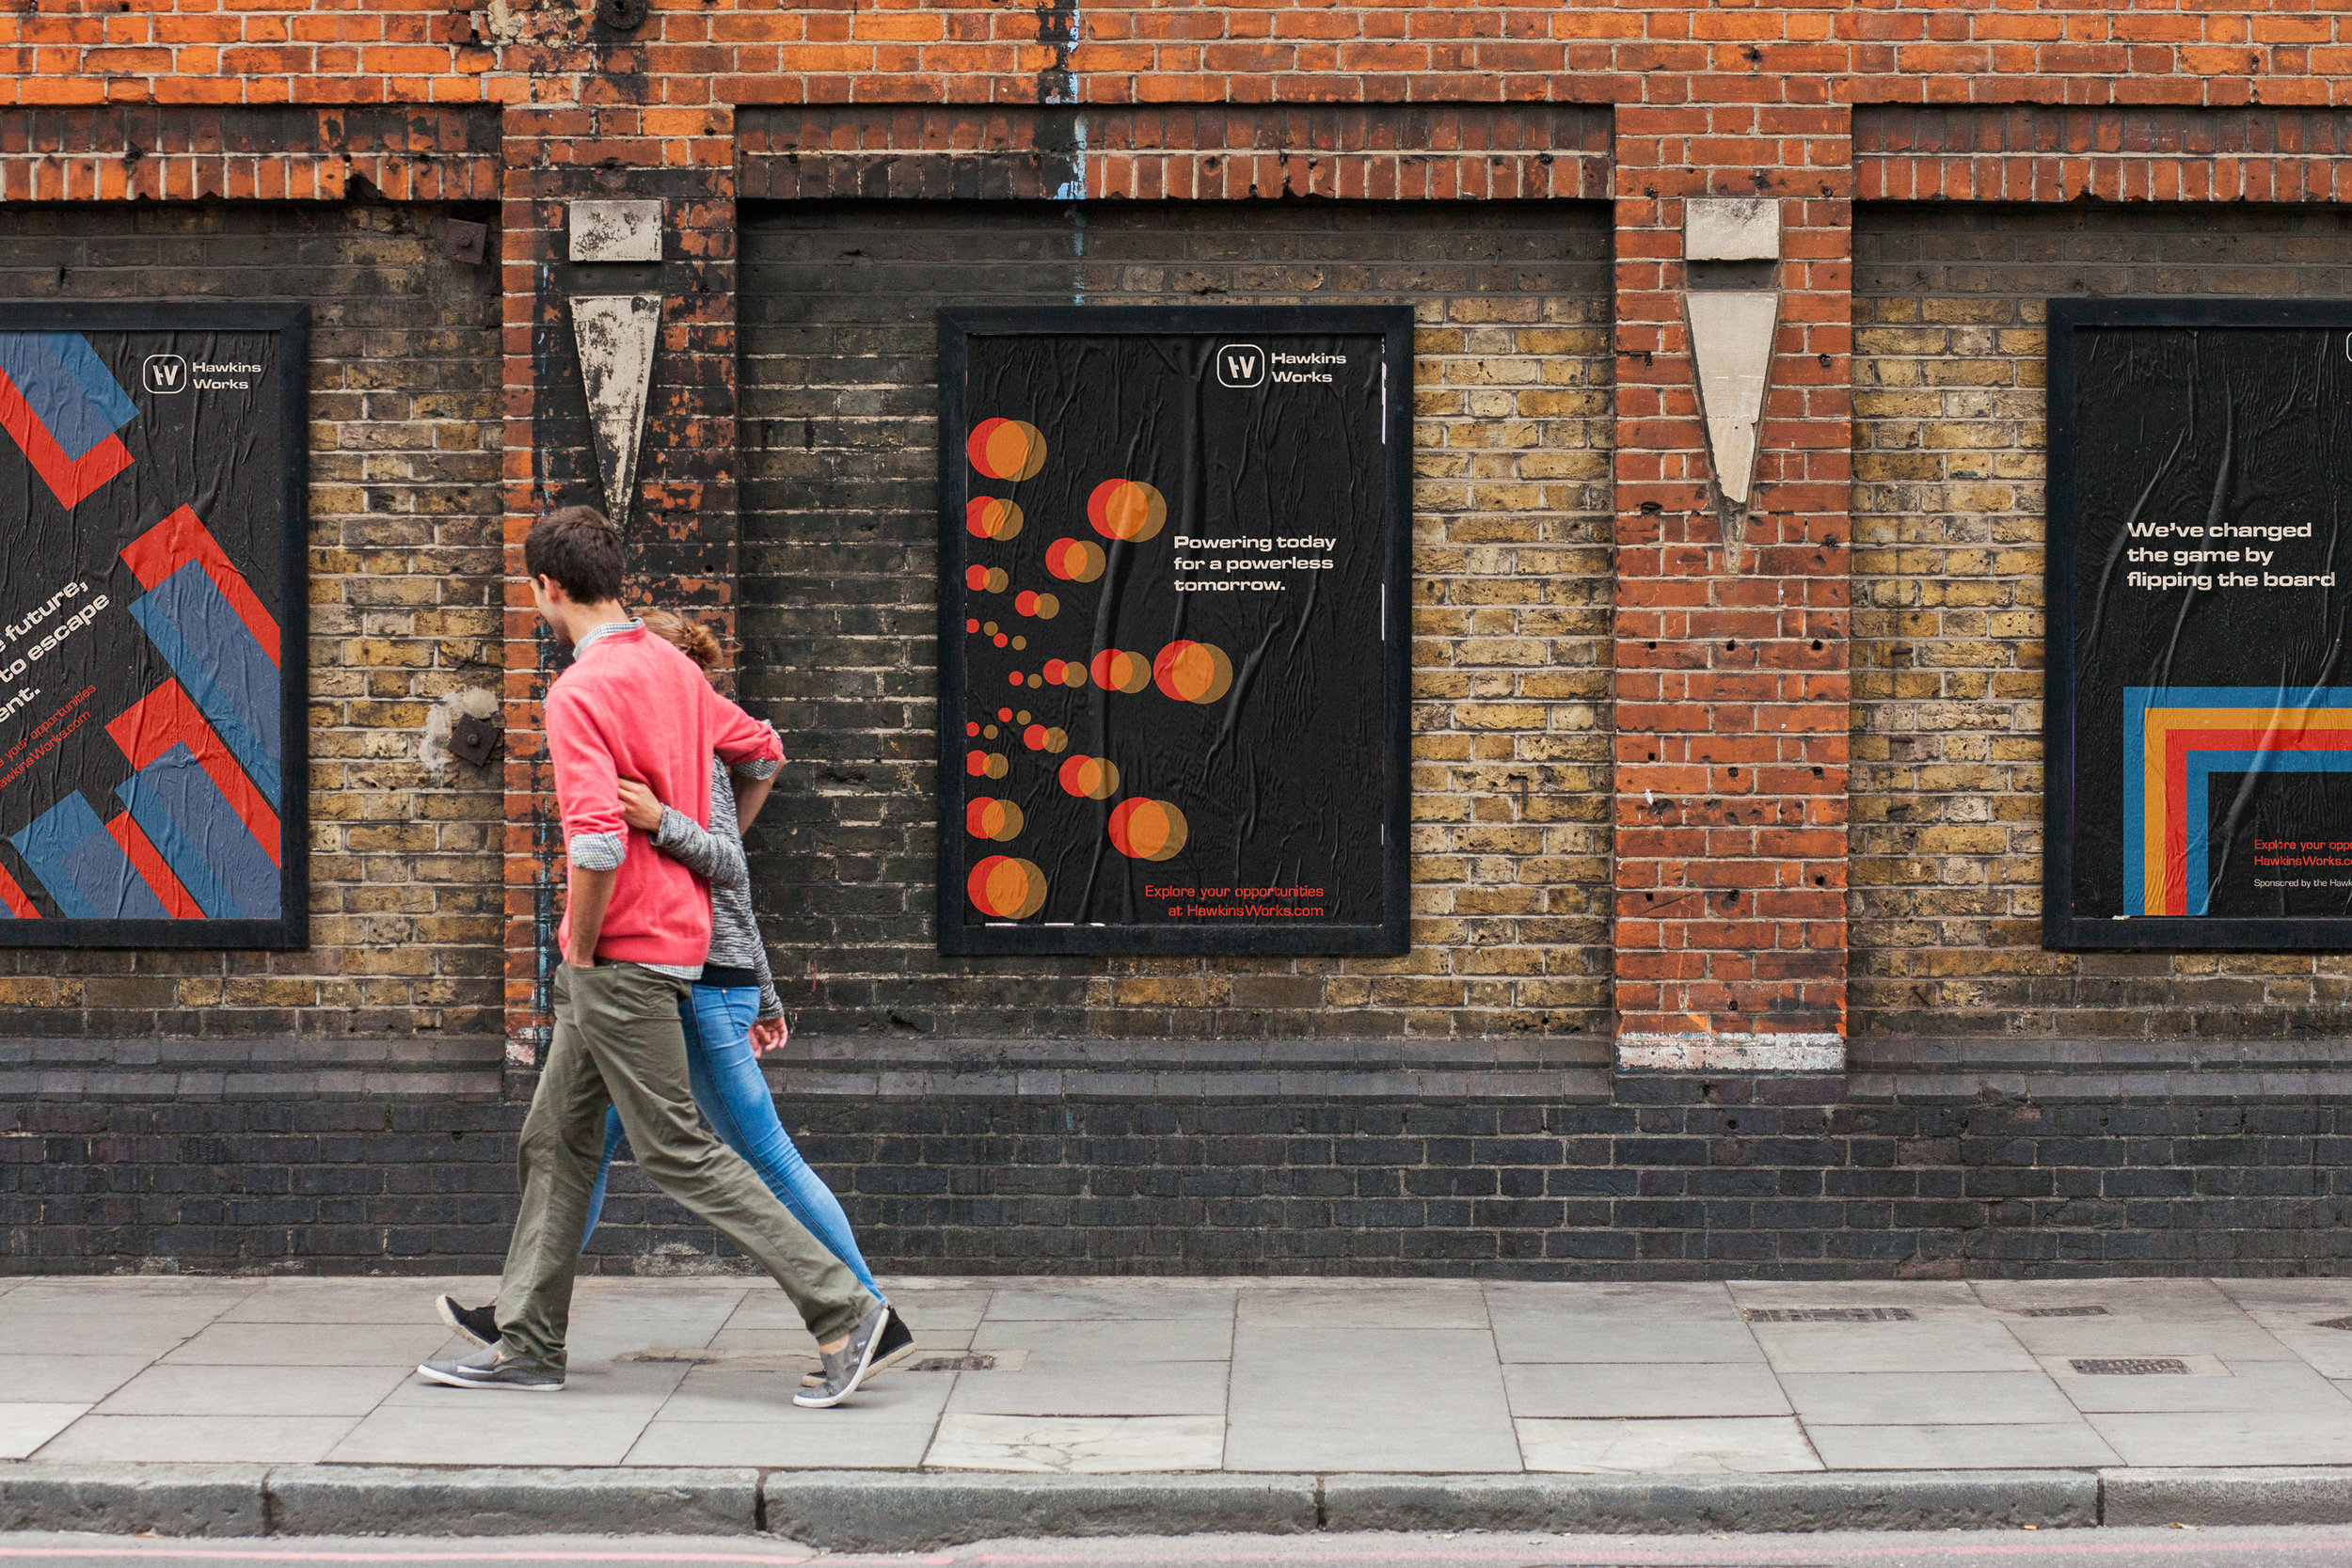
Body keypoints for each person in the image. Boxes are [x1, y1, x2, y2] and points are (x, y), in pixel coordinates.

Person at [414, 506, 893, 1409]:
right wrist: (700, 854)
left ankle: (848, 1309)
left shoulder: (578, 691)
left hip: (620, 955)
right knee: (555, 1138)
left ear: (546, 587)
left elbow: (594, 845)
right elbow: (765, 750)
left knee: (678, 1152)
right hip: (667, 946)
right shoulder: (672, 666)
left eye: (533, 590)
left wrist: (584, 949)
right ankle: (527, 1341)